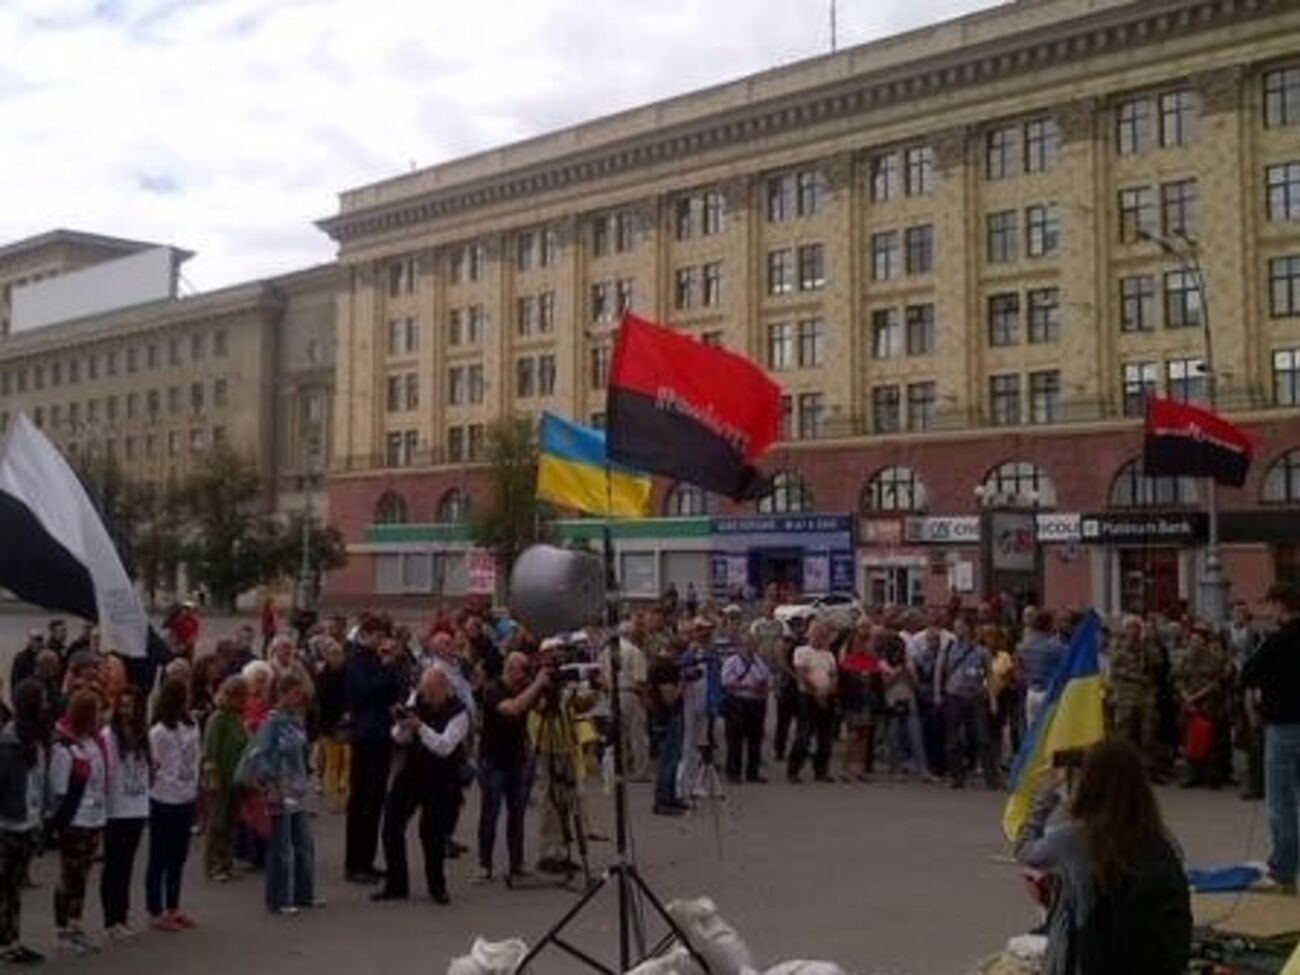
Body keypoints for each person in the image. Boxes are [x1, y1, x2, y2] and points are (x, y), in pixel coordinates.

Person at [1014, 739, 1191, 975]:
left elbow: (1025, 851)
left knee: (1058, 897)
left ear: (1089, 782)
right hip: (1155, 961)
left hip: (1092, 961)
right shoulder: (1162, 838)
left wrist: (1049, 795)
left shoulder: (1072, 838)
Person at [374, 668, 469, 904]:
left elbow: (444, 746)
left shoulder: (458, 712)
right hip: (412, 772)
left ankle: (437, 886)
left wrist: (420, 727)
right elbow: (398, 738)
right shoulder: (417, 700)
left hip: (441, 777)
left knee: (431, 834)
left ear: (444, 689)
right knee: (391, 825)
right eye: (424, 691)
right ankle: (396, 883)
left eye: (431, 692)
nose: (426, 697)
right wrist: (402, 724)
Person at [1241, 581, 1300, 892]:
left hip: (1284, 726)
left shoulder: (1276, 641)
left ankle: (1284, 868)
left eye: (1271, 605)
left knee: (1281, 800)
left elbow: (1248, 674)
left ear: (1282, 606)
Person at [477, 651, 549, 881]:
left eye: (529, 670)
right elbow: (513, 709)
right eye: (524, 670)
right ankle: (484, 864)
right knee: (491, 812)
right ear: (510, 668)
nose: (526, 675)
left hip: (517, 758)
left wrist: (547, 689)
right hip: (493, 759)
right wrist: (537, 684)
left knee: (516, 814)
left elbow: (542, 708)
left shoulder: (525, 688)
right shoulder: (493, 690)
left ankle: (516, 863)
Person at [253, 672, 318, 915]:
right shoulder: (272, 722)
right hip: (279, 789)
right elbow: (261, 755)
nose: (299, 699)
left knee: (304, 843)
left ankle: (304, 893)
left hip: (298, 788)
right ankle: (278, 898)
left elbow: (301, 752)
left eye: (300, 695)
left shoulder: (297, 719)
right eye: (295, 694)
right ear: (282, 694)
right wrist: (269, 785)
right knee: (281, 847)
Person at [48, 690, 108, 955]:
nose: (100, 717)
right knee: (69, 876)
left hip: (95, 817)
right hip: (75, 820)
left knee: (83, 876)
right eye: (96, 712)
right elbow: (59, 789)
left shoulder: (93, 741)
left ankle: (75, 924)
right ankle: (63, 931)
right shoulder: (64, 747)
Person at [344, 616, 402, 884]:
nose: (383, 642)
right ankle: (355, 864)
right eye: (380, 636)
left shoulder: (375, 659)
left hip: (380, 734)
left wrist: (389, 670)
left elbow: (390, 692)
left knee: (375, 800)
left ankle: (367, 860)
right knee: (363, 802)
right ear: (367, 634)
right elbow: (364, 692)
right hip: (366, 736)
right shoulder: (356, 659)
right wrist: (386, 669)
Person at [146, 676, 201, 932]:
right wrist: (171, 783)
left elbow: (196, 757)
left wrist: (193, 786)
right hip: (164, 799)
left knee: (178, 856)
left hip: (186, 796)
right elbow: (155, 766)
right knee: (160, 856)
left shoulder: (191, 725)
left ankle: (173, 906)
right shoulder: (158, 732)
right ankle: (156, 909)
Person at [0, 681, 49, 965]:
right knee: (6, 888)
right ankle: (7, 943)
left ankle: (12, 940)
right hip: (9, 826)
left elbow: (37, 781)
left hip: (28, 822)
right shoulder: (8, 746)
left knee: (14, 888)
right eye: (41, 700)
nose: (45, 705)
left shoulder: (34, 739)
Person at [101, 685, 150, 940]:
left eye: (131, 706)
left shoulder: (142, 734)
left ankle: (122, 915)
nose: (127, 711)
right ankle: (111, 920)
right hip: (115, 809)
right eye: (123, 705)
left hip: (137, 807)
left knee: (128, 865)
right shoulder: (109, 735)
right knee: (114, 865)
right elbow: (106, 771)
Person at [936, 617, 998, 790]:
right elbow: (939, 671)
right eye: (956, 627)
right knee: (953, 739)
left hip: (975, 697)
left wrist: (993, 700)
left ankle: (991, 778)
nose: (958, 631)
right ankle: (957, 775)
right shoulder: (948, 649)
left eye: (962, 627)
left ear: (969, 630)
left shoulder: (981, 652)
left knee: (983, 738)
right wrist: (937, 694)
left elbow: (990, 677)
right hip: (953, 696)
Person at [202, 675, 249, 882]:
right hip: (219, 779)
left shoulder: (238, 718)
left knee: (230, 823)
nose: (245, 700)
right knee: (217, 823)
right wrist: (212, 776)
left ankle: (226, 863)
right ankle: (212, 865)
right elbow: (209, 751)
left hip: (235, 779)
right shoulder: (218, 718)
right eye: (242, 696)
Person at [1175, 622, 1232, 789]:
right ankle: (1191, 776)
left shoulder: (1214, 659)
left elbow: (1216, 683)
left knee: (1211, 742)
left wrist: (1195, 697)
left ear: (1205, 642)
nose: (1194, 643)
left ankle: (1212, 777)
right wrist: (1186, 697)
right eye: (1192, 640)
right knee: (1189, 741)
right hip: (1189, 705)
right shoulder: (1186, 658)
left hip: (1207, 704)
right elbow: (1178, 679)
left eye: (1198, 640)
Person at [787, 620, 839, 784]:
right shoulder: (801, 651)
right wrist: (817, 693)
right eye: (816, 633)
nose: (820, 637)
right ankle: (794, 770)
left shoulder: (829, 654)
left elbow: (834, 675)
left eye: (823, 634)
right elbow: (802, 674)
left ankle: (821, 770)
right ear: (810, 634)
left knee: (825, 737)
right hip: (807, 697)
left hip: (826, 697)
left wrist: (829, 689)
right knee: (804, 734)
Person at [1108, 616, 1159, 773]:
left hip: (1145, 694)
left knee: (1147, 731)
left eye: (1136, 627)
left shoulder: (1147, 647)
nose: (1133, 631)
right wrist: (1133, 677)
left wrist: (1147, 643)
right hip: (1125, 694)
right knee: (1123, 730)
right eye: (1130, 627)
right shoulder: (1118, 646)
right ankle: (1122, 765)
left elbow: (1157, 664)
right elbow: (1114, 670)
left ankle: (1146, 766)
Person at [721, 634, 771, 784]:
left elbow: (768, 677)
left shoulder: (759, 661)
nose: (751, 648)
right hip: (738, 701)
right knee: (735, 739)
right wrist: (748, 686)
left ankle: (752, 772)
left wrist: (764, 687)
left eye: (753, 644)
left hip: (756, 702)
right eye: (747, 645)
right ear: (740, 646)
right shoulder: (732, 662)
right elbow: (726, 682)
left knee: (755, 738)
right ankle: (733, 772)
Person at [648, 647, 688, 815]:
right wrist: (681, 684)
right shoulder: (664, 670)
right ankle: (663, 800)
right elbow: (669, 699)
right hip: (668, 718)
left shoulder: (657, 666)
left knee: (672, 759)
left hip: (662, 717)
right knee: (668, 761)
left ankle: (670, 796)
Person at [314, 639, 350, 814]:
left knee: (349, 760)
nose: (336, 657)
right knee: (333, 763)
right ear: (327, 656)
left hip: (348, 723)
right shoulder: (322, 676)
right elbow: (321, 701)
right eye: (333, 654)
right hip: (329, 724)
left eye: (339, 653)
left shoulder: (349, 674)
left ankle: (345, 797)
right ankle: (333, 800)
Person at [1020, 610, 1065, 733]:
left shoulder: (1024, 646)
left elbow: (1022, 670)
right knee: (1050, 732)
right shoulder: (1057, 647)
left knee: (1033, 732)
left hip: (1031, 692)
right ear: (1049, 625)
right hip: (1049, 692)